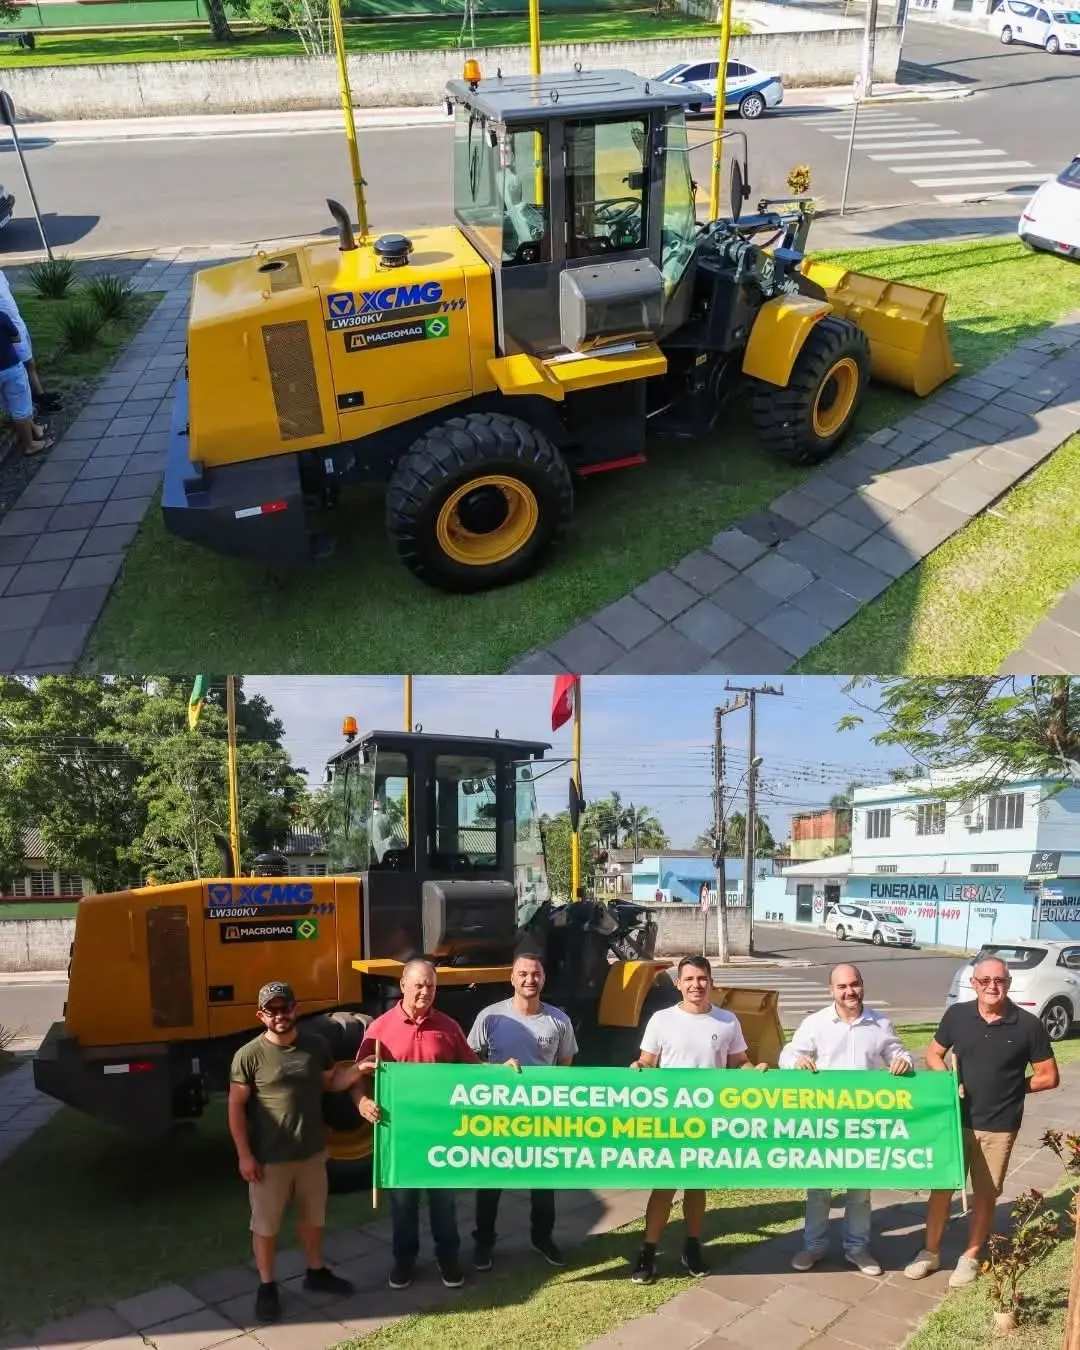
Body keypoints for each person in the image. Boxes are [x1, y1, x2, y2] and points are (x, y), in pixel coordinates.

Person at [905, 953, 1059, 1289]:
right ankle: (929, 1252)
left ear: (1009, 984)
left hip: (999, 1124)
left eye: (999, 980)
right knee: (941, 1189)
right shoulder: (957, 1015)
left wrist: (1014, 1088)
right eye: (985, 980)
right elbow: (933, 1053)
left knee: (986, 1194)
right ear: (974, 984)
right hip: (954, 1120)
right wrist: (947, 1079)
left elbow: (1048, 1076)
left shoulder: (1027, 1024)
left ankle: (970, 1256)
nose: (992, 986)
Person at [228, 981, 373, 1325]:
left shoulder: (316, 1044)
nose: (280, 1015)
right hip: (270, 1159)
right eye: (272, 1009)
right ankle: (267, 1286)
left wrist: (358, 1071)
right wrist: (244, 1155)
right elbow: (235, 1107)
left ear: (296, 1008)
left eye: (285, 1007)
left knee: (313, 1218)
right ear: (261, 1014)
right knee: (266, 1226)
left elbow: (331, 1083)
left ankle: (316, 1270)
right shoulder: (248, 1055)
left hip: (313, 1154)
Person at [629, 954, 769, 1285]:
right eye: (689, 979)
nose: (696, 985)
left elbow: (738, 1062)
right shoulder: (661, 1020)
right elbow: (648, 1060)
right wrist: (640, 1068)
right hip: (672, 1119)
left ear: (711, 982)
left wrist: (754, 1072)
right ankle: (648, 1251)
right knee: (663, 1188)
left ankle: (692, 1246)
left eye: (702, 979)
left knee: (696, 1186)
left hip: (709, 1119)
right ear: (678, 984)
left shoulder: (726, 1021)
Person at [353, 958, 484, 1292]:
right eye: (419, 985)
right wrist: (362, 1102)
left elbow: (473, 1069)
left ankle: (448, 1260)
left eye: (431, 986)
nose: (425, 992)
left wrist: (501, 1071)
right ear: (403, 985)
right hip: (400, 1136)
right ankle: (404, 1261)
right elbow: (358, 1073)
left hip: (441, 1133)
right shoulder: (380, 1029)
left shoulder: (449, 1026)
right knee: (403, 1205)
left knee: (444, 1203)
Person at [780, 963, 914, 1276]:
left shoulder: (880, 1023)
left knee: (860, 1191)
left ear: (862, 984)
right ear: (831, 991)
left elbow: (899, 1053)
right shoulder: (815, 1023)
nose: (849, 991)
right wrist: (796, 1060)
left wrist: (902, 1062)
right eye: (842, 987)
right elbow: (786, 1054)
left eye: (854, 984)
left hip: (863, 1123)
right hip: (824, 1121)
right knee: (819, 1190)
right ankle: (813, 1247)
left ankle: (858, 1249)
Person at [467, 952, 579, 1272]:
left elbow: (566, 1067)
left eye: (536, 974)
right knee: (491, 1183)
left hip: (541, 1116)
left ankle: (542, 1238)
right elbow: (469, 1061)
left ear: (543, 979)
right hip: (499, 1114)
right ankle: (483, 1244)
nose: (530, 979)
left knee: (543, 1183)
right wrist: (494, 1070)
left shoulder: (559, 1020)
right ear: (512, 978)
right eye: (523, 974)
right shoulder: (490, 1017)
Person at [0, 268, 62, 414]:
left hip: (17, 321)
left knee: (30, 362)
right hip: (8, 325)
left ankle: (40, 395)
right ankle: (37, 401)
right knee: (23, 365)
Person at [0, 310, 52, 458]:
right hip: (9, 367)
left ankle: (35, 429)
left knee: (9, 404)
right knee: (20, 405)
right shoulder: (2, 316)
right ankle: (30, 444)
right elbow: (16, 338)